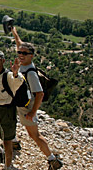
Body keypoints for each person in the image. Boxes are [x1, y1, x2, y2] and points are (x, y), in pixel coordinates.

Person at [11, 26, 64, 170]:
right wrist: (13, 31)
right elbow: (19, 43)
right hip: (19, 100)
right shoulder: (23, 63)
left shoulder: (31, 73)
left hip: (27, 106)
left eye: (24, 53)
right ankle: (14, 141)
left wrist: (33, 113)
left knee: (35, 135)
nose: (20, 55)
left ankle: (53, 160)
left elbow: (39, 94)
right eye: (19, 52)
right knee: (6, 116)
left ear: (31, 55)